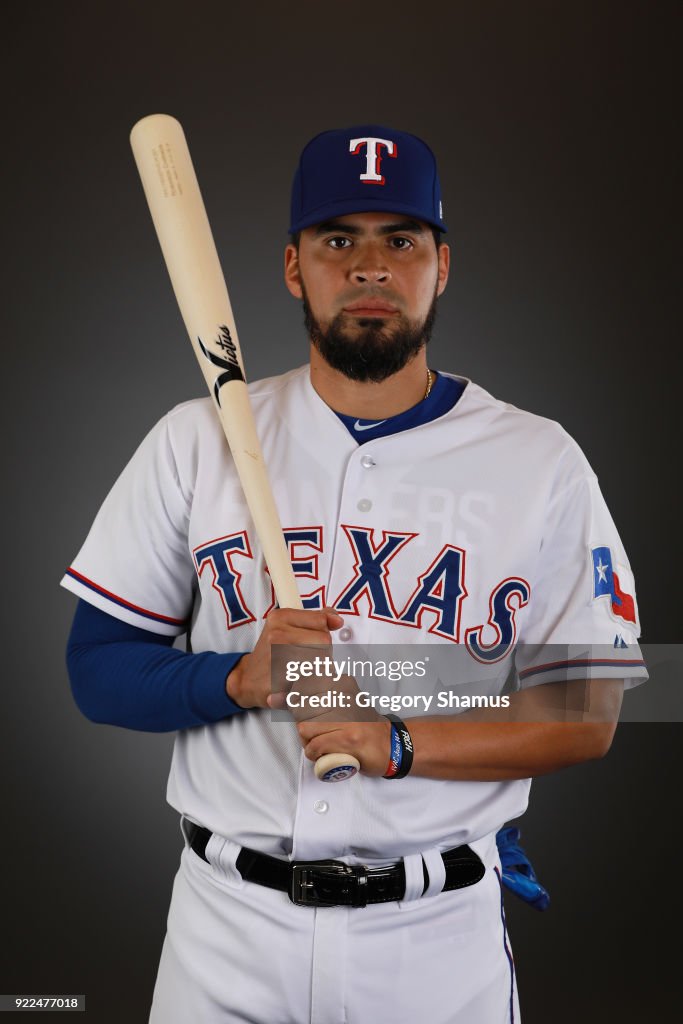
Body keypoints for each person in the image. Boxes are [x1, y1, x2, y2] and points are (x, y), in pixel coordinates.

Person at [62, 125, 647, 1023]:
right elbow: (95, 670)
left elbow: (592, 704)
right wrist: (237, 678)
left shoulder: (540, 459)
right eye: (338, 239)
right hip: (226, 934)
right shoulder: (195, 439)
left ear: (440, 266)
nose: (370, 265)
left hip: (436, 944)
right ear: (295, 268)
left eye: (399, 239)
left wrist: (394, 735)